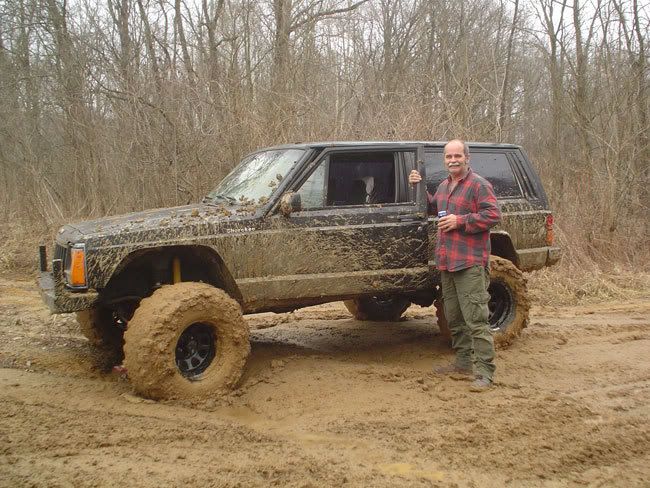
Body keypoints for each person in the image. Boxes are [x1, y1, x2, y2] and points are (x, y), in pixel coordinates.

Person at [409, 140, 501, 392]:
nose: (452, 160)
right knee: (454, 317)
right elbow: (431, 207)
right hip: (447, 262)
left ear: (466, 158)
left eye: (457, 155)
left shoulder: (479, 185)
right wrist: (417, 186)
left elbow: (493, 215)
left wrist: (460, 220)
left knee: (476, 319)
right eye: (448, 156)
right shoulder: (443, 186)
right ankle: (463, 363)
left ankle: (485, 372)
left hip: (470, 263)